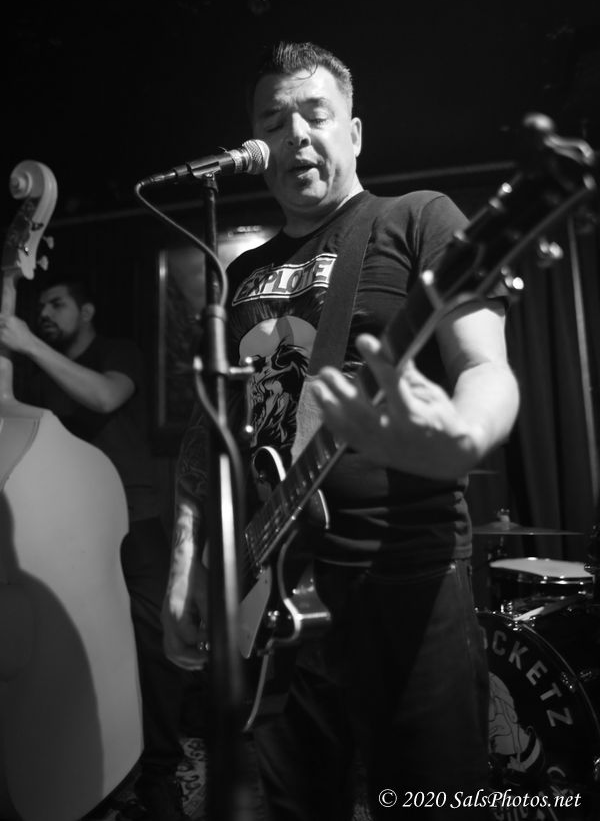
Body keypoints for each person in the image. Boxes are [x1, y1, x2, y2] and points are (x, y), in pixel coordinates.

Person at [161, 41, 520, 820]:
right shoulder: (241, 276)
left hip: (403, 573)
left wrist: (465, 434)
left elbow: (486, 367)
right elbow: (207, 432)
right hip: (267, 590)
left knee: (432, 802)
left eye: (314, 114)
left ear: (353, 133)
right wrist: (189, 563)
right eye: (272, 120)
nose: (294, 133)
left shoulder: (416, 219)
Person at [0, 275, 188, 821]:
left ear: (86, 311)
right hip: (65, 532)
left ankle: (159, 772)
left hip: (134, 519)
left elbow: (105, 396)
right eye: (40, 306)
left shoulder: (116, 352)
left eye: (56, 304)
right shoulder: (32, 372)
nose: (44, 314)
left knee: (154, 646)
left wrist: (25, 342)